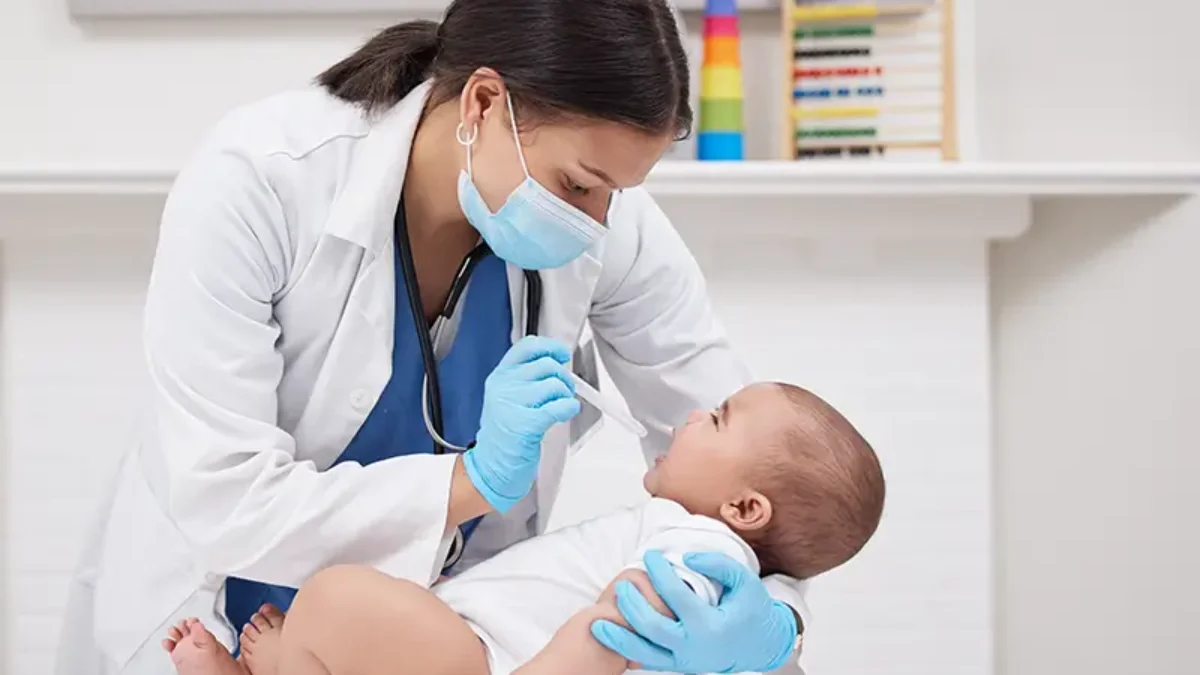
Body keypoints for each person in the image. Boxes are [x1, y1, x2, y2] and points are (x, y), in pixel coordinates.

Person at [56, 2, 814, 674]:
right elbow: (224, 498)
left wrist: (776, 621)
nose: (597, 222)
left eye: (618, 193)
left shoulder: (605, 222)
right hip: (214, 617)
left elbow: (756, 458)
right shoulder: (260, 179)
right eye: (580, 186)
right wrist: (474, 482)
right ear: (485, 102)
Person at [160, 382, 886, 675]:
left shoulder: (703, 548)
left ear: (746, 510)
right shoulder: (691, 531)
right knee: (338, 610)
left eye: (719, 418)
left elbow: (622, 619)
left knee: (331, 594)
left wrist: (780, 629)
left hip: (489, 661)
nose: (694, 415)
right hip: (472, 639)